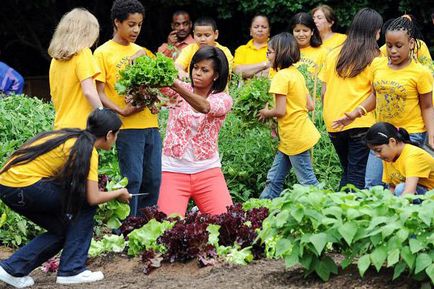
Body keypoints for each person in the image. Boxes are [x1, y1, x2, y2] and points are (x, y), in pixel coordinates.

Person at [0, 108, 131, 287]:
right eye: (117, 135)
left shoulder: (70, 137)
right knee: (84, 204)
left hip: (8, 186)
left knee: (62, 229)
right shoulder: (88, 150)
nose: (115, 139)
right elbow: (92, 197)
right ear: (109, 134)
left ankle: (11, 269)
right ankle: (72, 270)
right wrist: (120, 193)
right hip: (23, 185)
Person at [332, 16, 434, 188]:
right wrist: (356, 114)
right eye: (389, 45)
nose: (393, 50)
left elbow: (427, 106)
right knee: (372, 183)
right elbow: (375, 96)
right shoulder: (377, 65)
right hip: (382, 133)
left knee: (402, 185)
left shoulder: (420, 73)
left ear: (411, 43)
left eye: (398, 46)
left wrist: (431, 134)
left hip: (410, 134)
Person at [94, 0, 161, 217]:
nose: (136, 30)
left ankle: (147, 225)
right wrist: (121, 111)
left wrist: (155, 100)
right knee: (133, 178)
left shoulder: (143, 52)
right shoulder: (103, 53)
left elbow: (153, 86)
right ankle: (127, 226)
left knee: (153, 179)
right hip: (126, 127)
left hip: (150, 124)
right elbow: (100, 92)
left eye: (139, 25)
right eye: (131, 24)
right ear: (117, 22)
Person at [157, 46, 233, 216]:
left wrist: (177, 86)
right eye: (195, 68)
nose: (197, 73)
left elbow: (205, 107)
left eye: (204, 70)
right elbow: (154, 81)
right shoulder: (179, 88)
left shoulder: (223, 99)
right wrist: (156, 60)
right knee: (166, 229)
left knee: (226, 223)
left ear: (216, 75)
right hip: (172, 170)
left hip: (208, 171)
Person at [320, 8, 383, 190]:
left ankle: (335, 211)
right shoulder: (376, 58)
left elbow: (324, 92)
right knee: (357, 176)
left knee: (348, 171)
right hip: (360, 121)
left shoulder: (333, 54)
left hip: (334, 122)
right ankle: (349, 216)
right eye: (379, 30)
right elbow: (377, 93)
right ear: (374, 31)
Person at [258, 32, 320, 199]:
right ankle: (264, 206)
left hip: (294, 136)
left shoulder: (280, 77)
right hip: (295, 134)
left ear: (280, 53)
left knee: (308, 182)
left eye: (269, 52)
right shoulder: (296, 73)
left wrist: (266, 113)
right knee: (274, 178)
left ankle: (326, 208)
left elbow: (280, 111)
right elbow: (310, 105)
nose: (267, 56)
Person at [48, 8, 103, 130]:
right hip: (80, 129)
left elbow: (53, 97)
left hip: (60, 129)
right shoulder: (83, 54)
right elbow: (89, 91)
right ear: (86, 33)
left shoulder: (55, 60)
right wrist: (103, 113)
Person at [366, 122, 433, 196]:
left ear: (392, 141)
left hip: (429, 197)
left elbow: (409, 192)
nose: (377, 155)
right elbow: (392, 187)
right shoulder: (388, 157)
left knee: (401, 188)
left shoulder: (413, 155)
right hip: (417, 195)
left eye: (378, 150)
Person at [289, 12, 326, 76]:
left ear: (312, 32)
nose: (301, 34)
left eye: (305, 31)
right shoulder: (286, 51)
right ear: (292, 32)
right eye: (297, 31)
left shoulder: (324, 52)